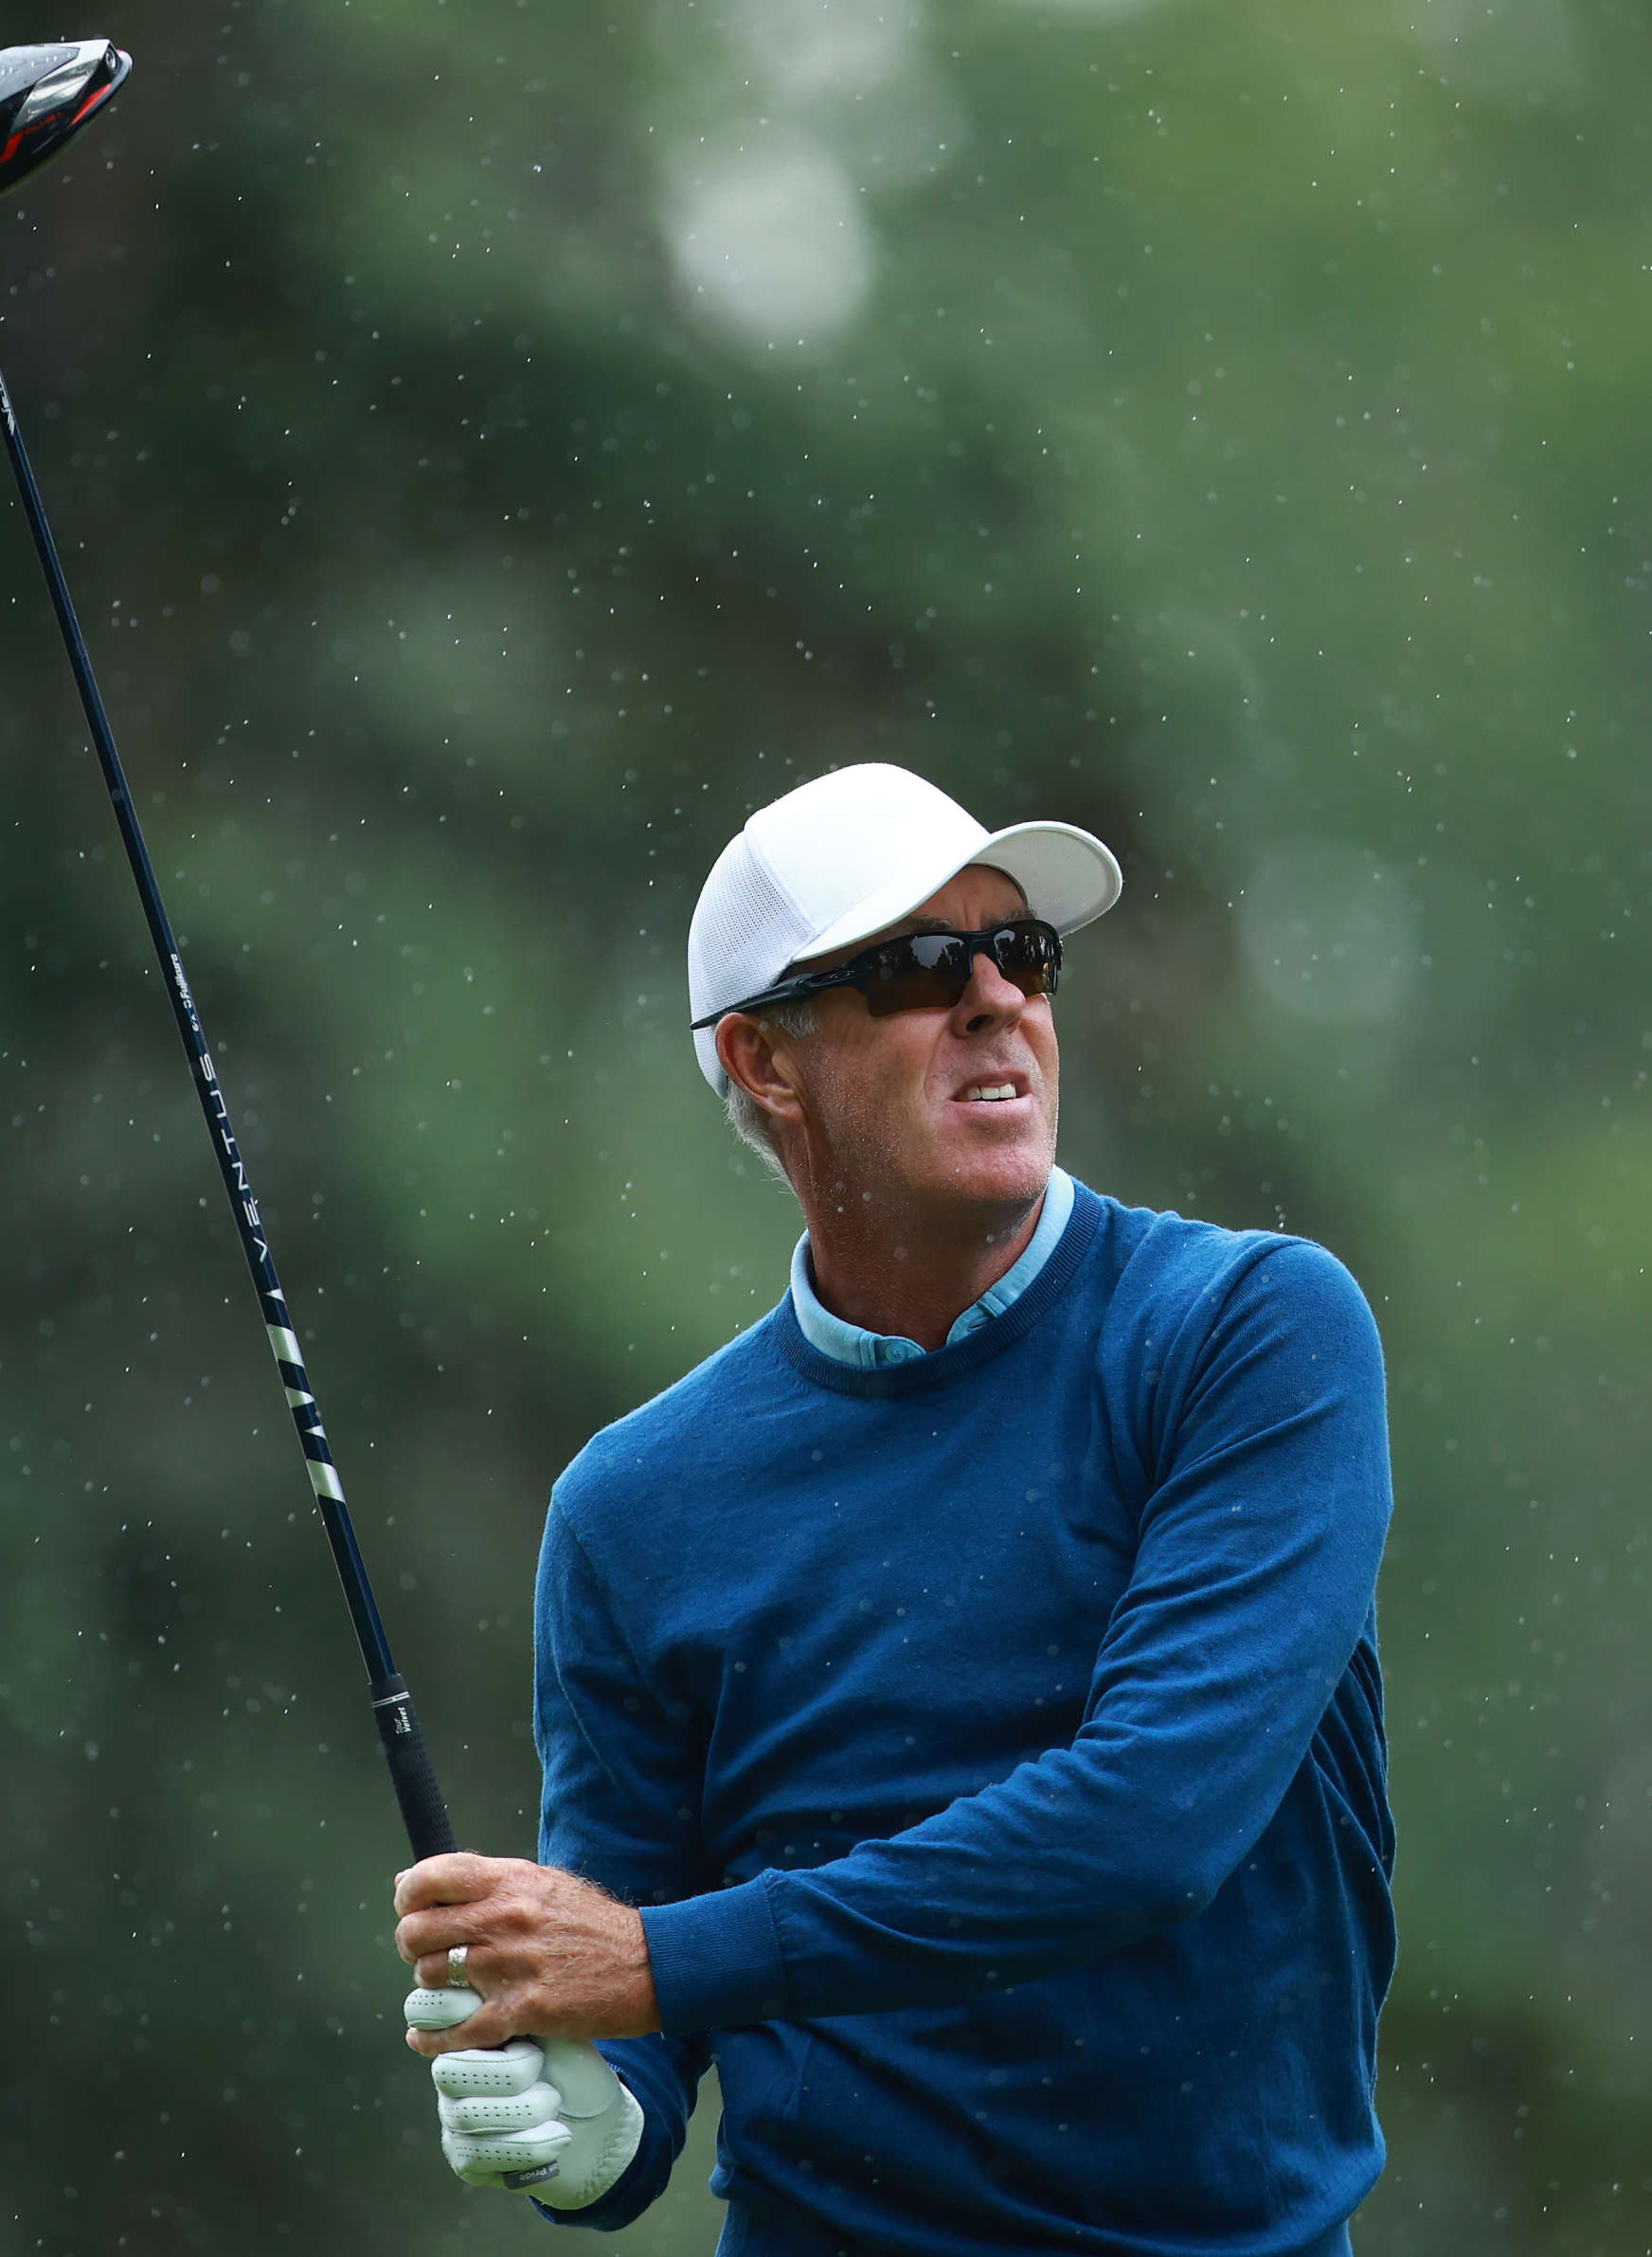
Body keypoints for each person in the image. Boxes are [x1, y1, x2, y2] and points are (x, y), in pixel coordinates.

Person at [393, 762, 1396, 2257]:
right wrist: (580, 2125)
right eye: (922, 967)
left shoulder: (1247, 1333)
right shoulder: (633, 1507)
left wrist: (655, 1966)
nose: (998, 999)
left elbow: (1146, 1829)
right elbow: (639, 2042)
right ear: (767, 1060)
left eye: (1024, 955)